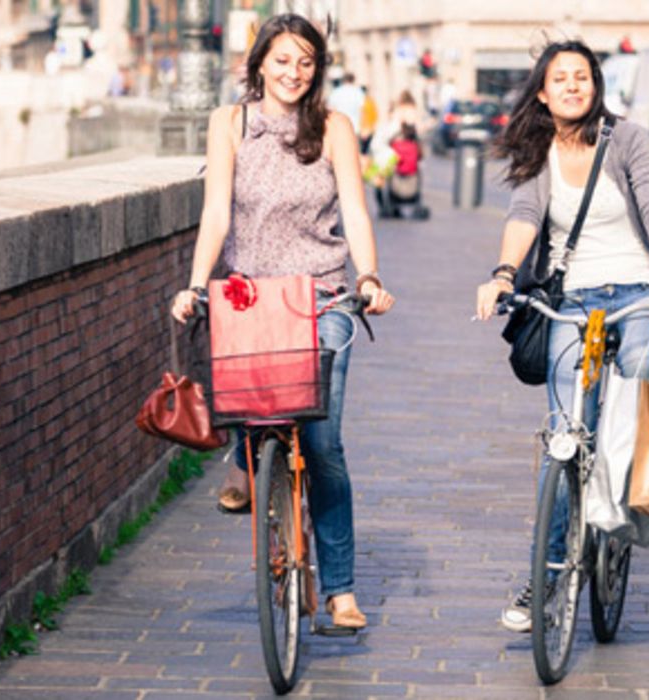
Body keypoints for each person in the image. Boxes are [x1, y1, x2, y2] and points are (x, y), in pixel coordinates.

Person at [169, 13, 396, 631]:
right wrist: (196, 284)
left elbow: (354, 211)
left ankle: (341, 590)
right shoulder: (231, 123)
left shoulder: (334, 128)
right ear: (259, 63)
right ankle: (250, 462)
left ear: (317, 69)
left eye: (305, 62)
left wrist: (369, 278)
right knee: (250, 405)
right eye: (281, 60)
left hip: (319, 296)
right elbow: (216, 212)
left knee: (323, 445)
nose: (293, 73)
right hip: (248, 296)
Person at [472, 39, 649, 633]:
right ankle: (545, 578)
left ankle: (614, 519)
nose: (573, 86)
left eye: (583, 76)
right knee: (564, 438)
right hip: (572, 301)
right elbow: (525, 215)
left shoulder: (625, 138)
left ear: (595, 86)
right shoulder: (538, 149)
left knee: (629, 405)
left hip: (640, 294)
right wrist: (501, 276)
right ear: (543, 94)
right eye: (562, 79)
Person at [326, 72, 365, 139]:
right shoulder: (358, 92)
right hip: (355, 128)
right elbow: (363, 110)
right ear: (353, 80)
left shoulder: (336, 92)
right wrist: (364, 128)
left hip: (339, 128)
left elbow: (330, 110)